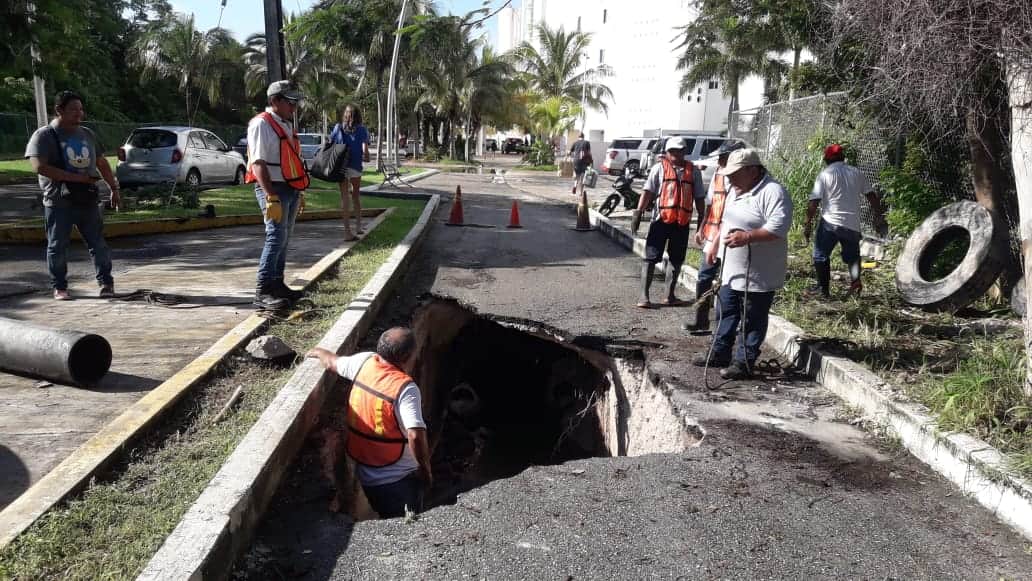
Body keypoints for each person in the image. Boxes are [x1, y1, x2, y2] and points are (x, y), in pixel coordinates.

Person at [307, 327, 432, 518]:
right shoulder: (405, 389)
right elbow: (415, 434)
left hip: (368, 480)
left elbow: (332, 362)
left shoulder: (363, 362)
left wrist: (318, 352)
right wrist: (425, 471)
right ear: (407, 356)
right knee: (408, 529)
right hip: (399, 481)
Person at [692, 149, 792, 380]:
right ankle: (719, 352)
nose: (729, 178)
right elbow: (727, 221)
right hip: (731, 270)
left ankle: (743, 361)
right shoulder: (736, 189)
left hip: (758, 274)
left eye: (735, 174)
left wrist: (747, 237)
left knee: (752, 318)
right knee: (726, 311)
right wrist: (714, 246)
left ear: (753, 170)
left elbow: (779, 228)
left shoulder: (773, 192)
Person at [25, 90, 120, 300]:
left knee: (98, 244)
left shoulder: (87, 134)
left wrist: (114, 188)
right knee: (57, 246)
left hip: (88, 199)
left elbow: (101, 162)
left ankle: (106, 284)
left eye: (80, 109)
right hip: (58, 202)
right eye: (73, 110)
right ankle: (60, 287)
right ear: (59, 110)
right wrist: (76, 179)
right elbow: (39, 166)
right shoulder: (44, 135)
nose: (79, 113)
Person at [245, 80, 309, 311]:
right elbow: (258, 164)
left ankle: (277, 284)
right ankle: (262, 290)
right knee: (275, 237)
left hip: (289, 188)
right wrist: (270, 196)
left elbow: (291, 161)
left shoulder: (285, 124)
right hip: (273, 188)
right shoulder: (261, 124)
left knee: (284, 237)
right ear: (275, 101)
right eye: (290, 102)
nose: (294, 107)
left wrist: (299, 192)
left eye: (296, 102)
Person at [630, 137, 706, 308]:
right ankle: (644, 296)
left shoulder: (693, 171)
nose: (676, 154)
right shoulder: (659, 169)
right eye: (672, 151)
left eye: (679, 151)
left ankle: (669, 296)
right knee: (651, 257)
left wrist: (702, 220)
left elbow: (699, 197)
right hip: (660, 220)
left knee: (677, 259)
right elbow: (648, 192)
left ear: (685, 151)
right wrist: (637, 213)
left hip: (682, 222)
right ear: (666, 152)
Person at [805, 144, 884, 297]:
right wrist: (878, 215)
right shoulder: (856, 172)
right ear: (843, 158)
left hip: (830, 223)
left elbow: (814, 202)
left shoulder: (825, 174)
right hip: (852, 224)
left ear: (826, 159)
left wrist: (807, 223)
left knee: (820, 256)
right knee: (853, 257)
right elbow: (871, 196)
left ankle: (823, 289)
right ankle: (855, 281)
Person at [684, 142, 744, 333]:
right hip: (713, 235)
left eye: (723, 157)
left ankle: (729, 326)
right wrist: (701, 227)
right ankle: (701, 320)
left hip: (733, 237)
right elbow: (711, 204)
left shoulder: (745, 180)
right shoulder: (718, 174)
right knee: (704, 277)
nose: (719, 161)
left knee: (730, 283)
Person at [330, 104, 370, 241]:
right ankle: (358, 227)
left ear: (345, 115)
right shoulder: (362, 130)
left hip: (341, 166)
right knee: (356, 196)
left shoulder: (337, 128)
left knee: (344, 198)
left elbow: (331, 144)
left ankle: (347, 232)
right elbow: (365, 151)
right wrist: (366, 156)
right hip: (355, 166)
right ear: (359, 115)